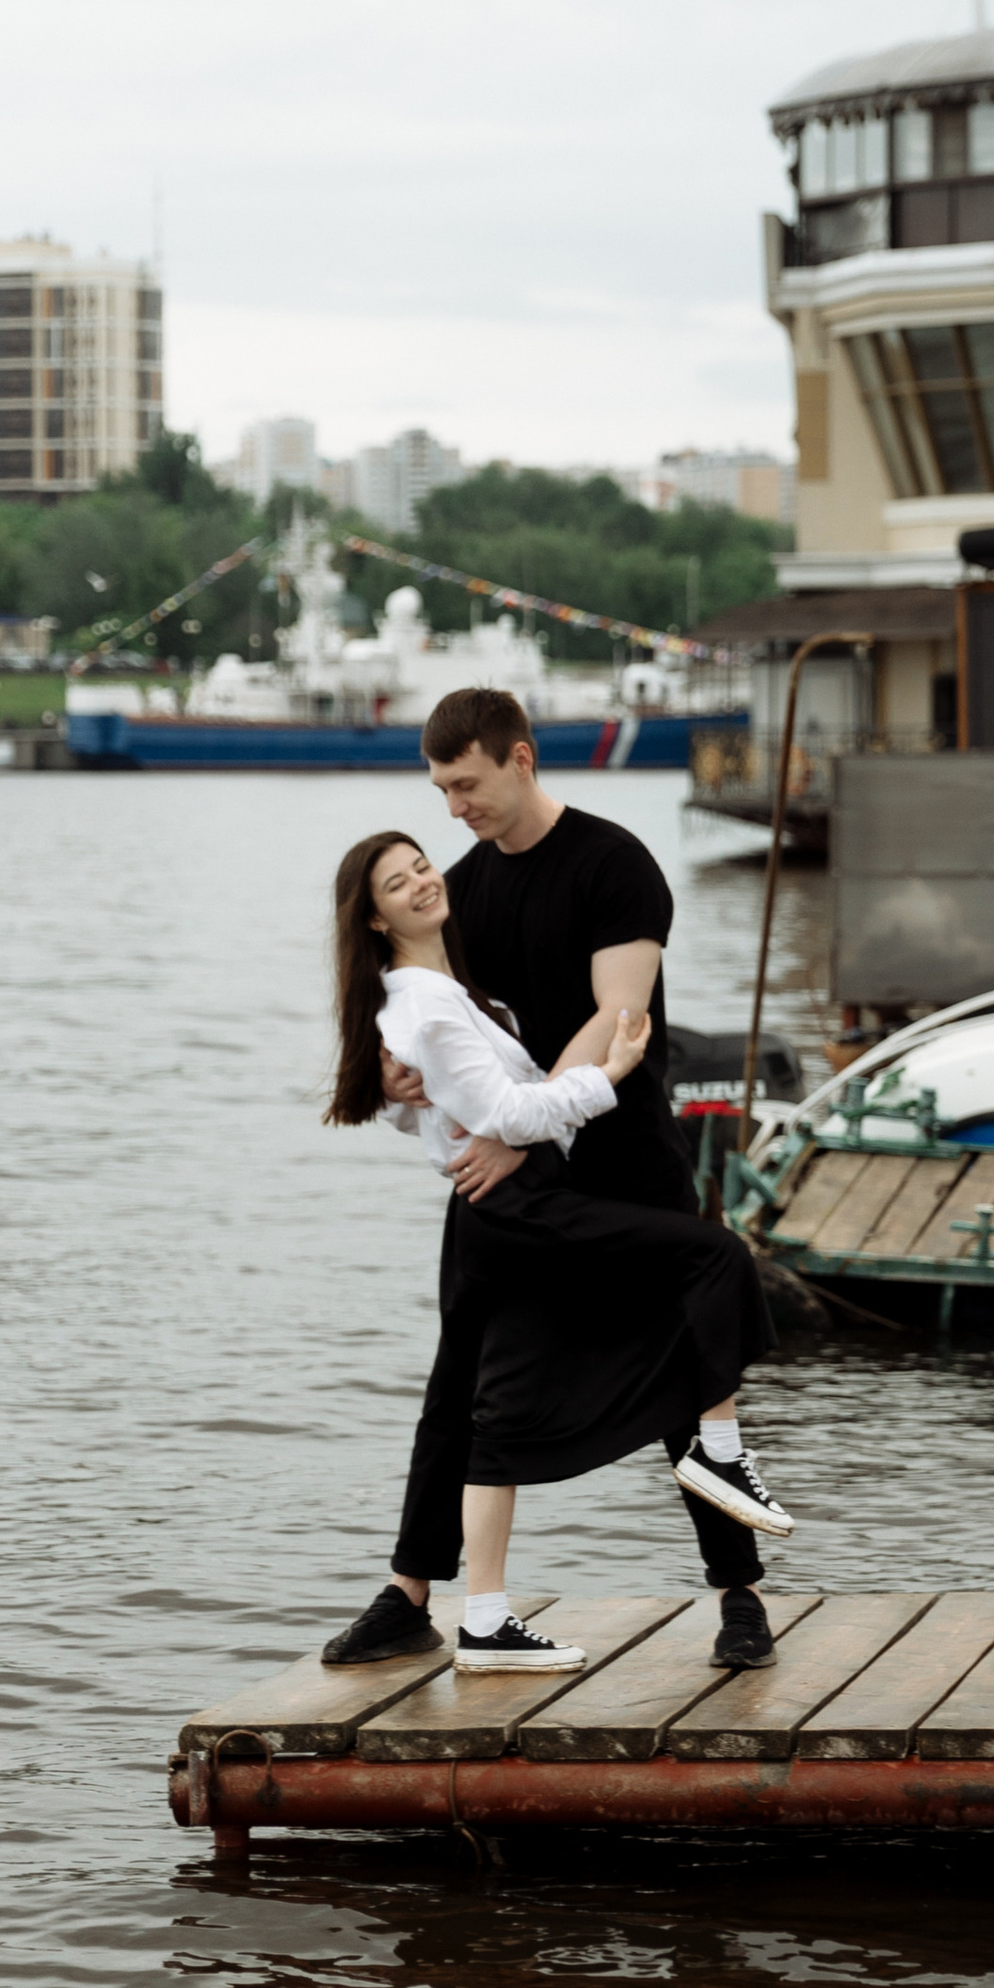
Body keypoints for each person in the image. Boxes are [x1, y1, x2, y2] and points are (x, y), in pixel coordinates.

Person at [321, 687, 789, 1674]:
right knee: (461, 1381)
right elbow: (434, 1015)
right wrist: (398, 1077)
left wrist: (517, 1128)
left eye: (467, 785)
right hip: (510, 1180)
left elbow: (618, 1015)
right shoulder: (457, 892)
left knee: (684, 1366)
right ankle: (410, 1595)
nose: (455, 808)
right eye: (441, 792)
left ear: (521, 759)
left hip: (621, 1157)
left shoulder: (613, 864)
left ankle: (739, 1596)